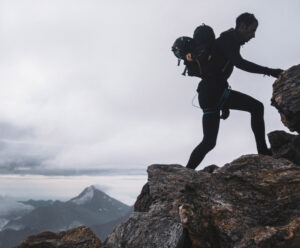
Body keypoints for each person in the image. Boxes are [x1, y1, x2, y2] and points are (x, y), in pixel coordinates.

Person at [186, 13, 283, 170]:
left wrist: (224, 105)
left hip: (208, 94)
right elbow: (240, 63)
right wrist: (271, 71)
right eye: (252, 30)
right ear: (242, 26)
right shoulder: (228, 40)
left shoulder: (227, 41)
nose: (253, 35)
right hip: (214, 92)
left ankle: (186, 172)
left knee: (209, 142)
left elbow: (217, 71)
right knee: (257, 107)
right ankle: (264, 152)